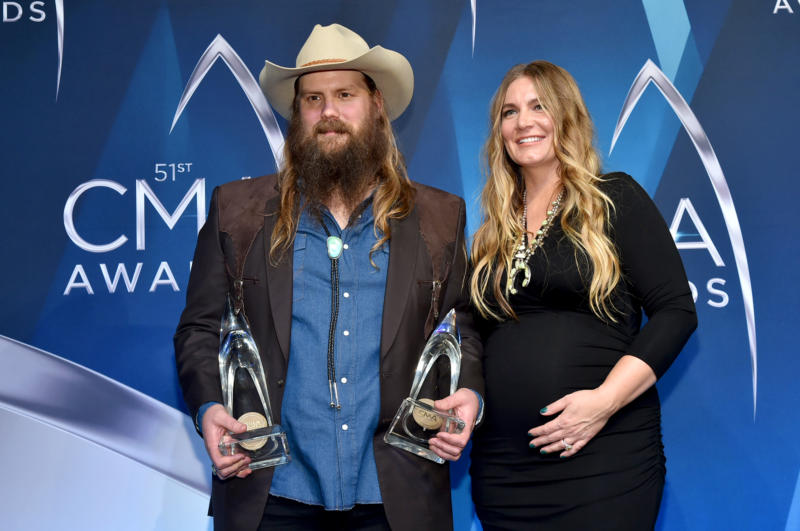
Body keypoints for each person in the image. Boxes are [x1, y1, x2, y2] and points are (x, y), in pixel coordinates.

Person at [174, 23, 483, 531]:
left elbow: (462, 327)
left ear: (376, 105)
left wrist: (468, 392)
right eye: (313, 99)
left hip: (395, 496)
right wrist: (209, 406)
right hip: (270, 490)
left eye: (344, 95)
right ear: (298, 115)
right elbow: (199, 330)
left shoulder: (438, 217)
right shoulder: (238, 212)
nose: (328, 113)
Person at [468, 61, 697, 530]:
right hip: (503, 471)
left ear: (566, 117)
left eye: (538, 106)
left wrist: (604, 402)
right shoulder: (493, 229)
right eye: (510, 112)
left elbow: (676, 311)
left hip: (603, 462)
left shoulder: (613, 199)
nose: (523, 122)